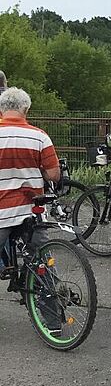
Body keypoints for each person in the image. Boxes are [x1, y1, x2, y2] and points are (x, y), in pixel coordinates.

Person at [0, 88, 61, 332]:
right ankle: (54, 323)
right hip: (32, 212)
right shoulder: (39, 137)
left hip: (2, 212)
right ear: (26, 110)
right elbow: (54, 174)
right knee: (42, 263)